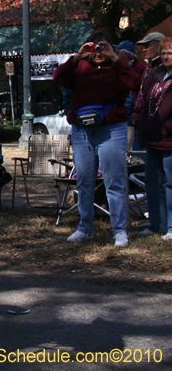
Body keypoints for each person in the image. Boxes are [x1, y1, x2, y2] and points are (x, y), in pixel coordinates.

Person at [53, 31, 137, 247]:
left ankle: (119, 230)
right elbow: (58, 78)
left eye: (102, 47)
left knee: (114, 181)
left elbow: (131, 82)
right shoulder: (80, 68)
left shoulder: (116, 68)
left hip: (111, 130)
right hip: (83, 130)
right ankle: (85, 228)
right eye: (93, 48)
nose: (98, 53)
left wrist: (115, 59)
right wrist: (77, 58)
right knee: (85, 180)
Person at [134, 37, 172, 240]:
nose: (166, 57)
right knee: (152, 182)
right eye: (164, 53)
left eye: (170, 53)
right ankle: (157, 224)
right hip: (152, 137)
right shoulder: (154, 76)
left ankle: (171, 226)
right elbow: (144, 102)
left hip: (169, 140)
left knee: (170, 183)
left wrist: (168, 128)